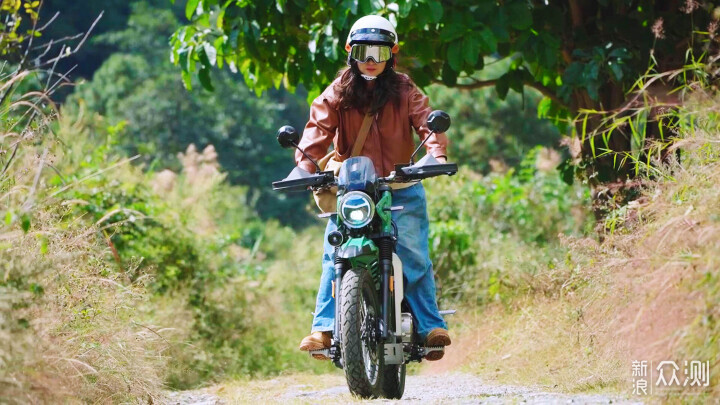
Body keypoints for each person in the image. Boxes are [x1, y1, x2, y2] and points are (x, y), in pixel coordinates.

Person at [295, 15, 451, 361]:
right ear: (351, 51)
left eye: (378, 53)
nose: (370, 60)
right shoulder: (338, 91)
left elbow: (428, 124)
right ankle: (323, 327)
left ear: (391, 54)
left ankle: (429, 326)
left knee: (413, 252)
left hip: (401, 184)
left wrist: (435, 155)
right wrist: (304, 165)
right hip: (354, 188)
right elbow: (317, 128)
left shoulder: (404, 89)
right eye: (364, 52)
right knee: (333, 252)